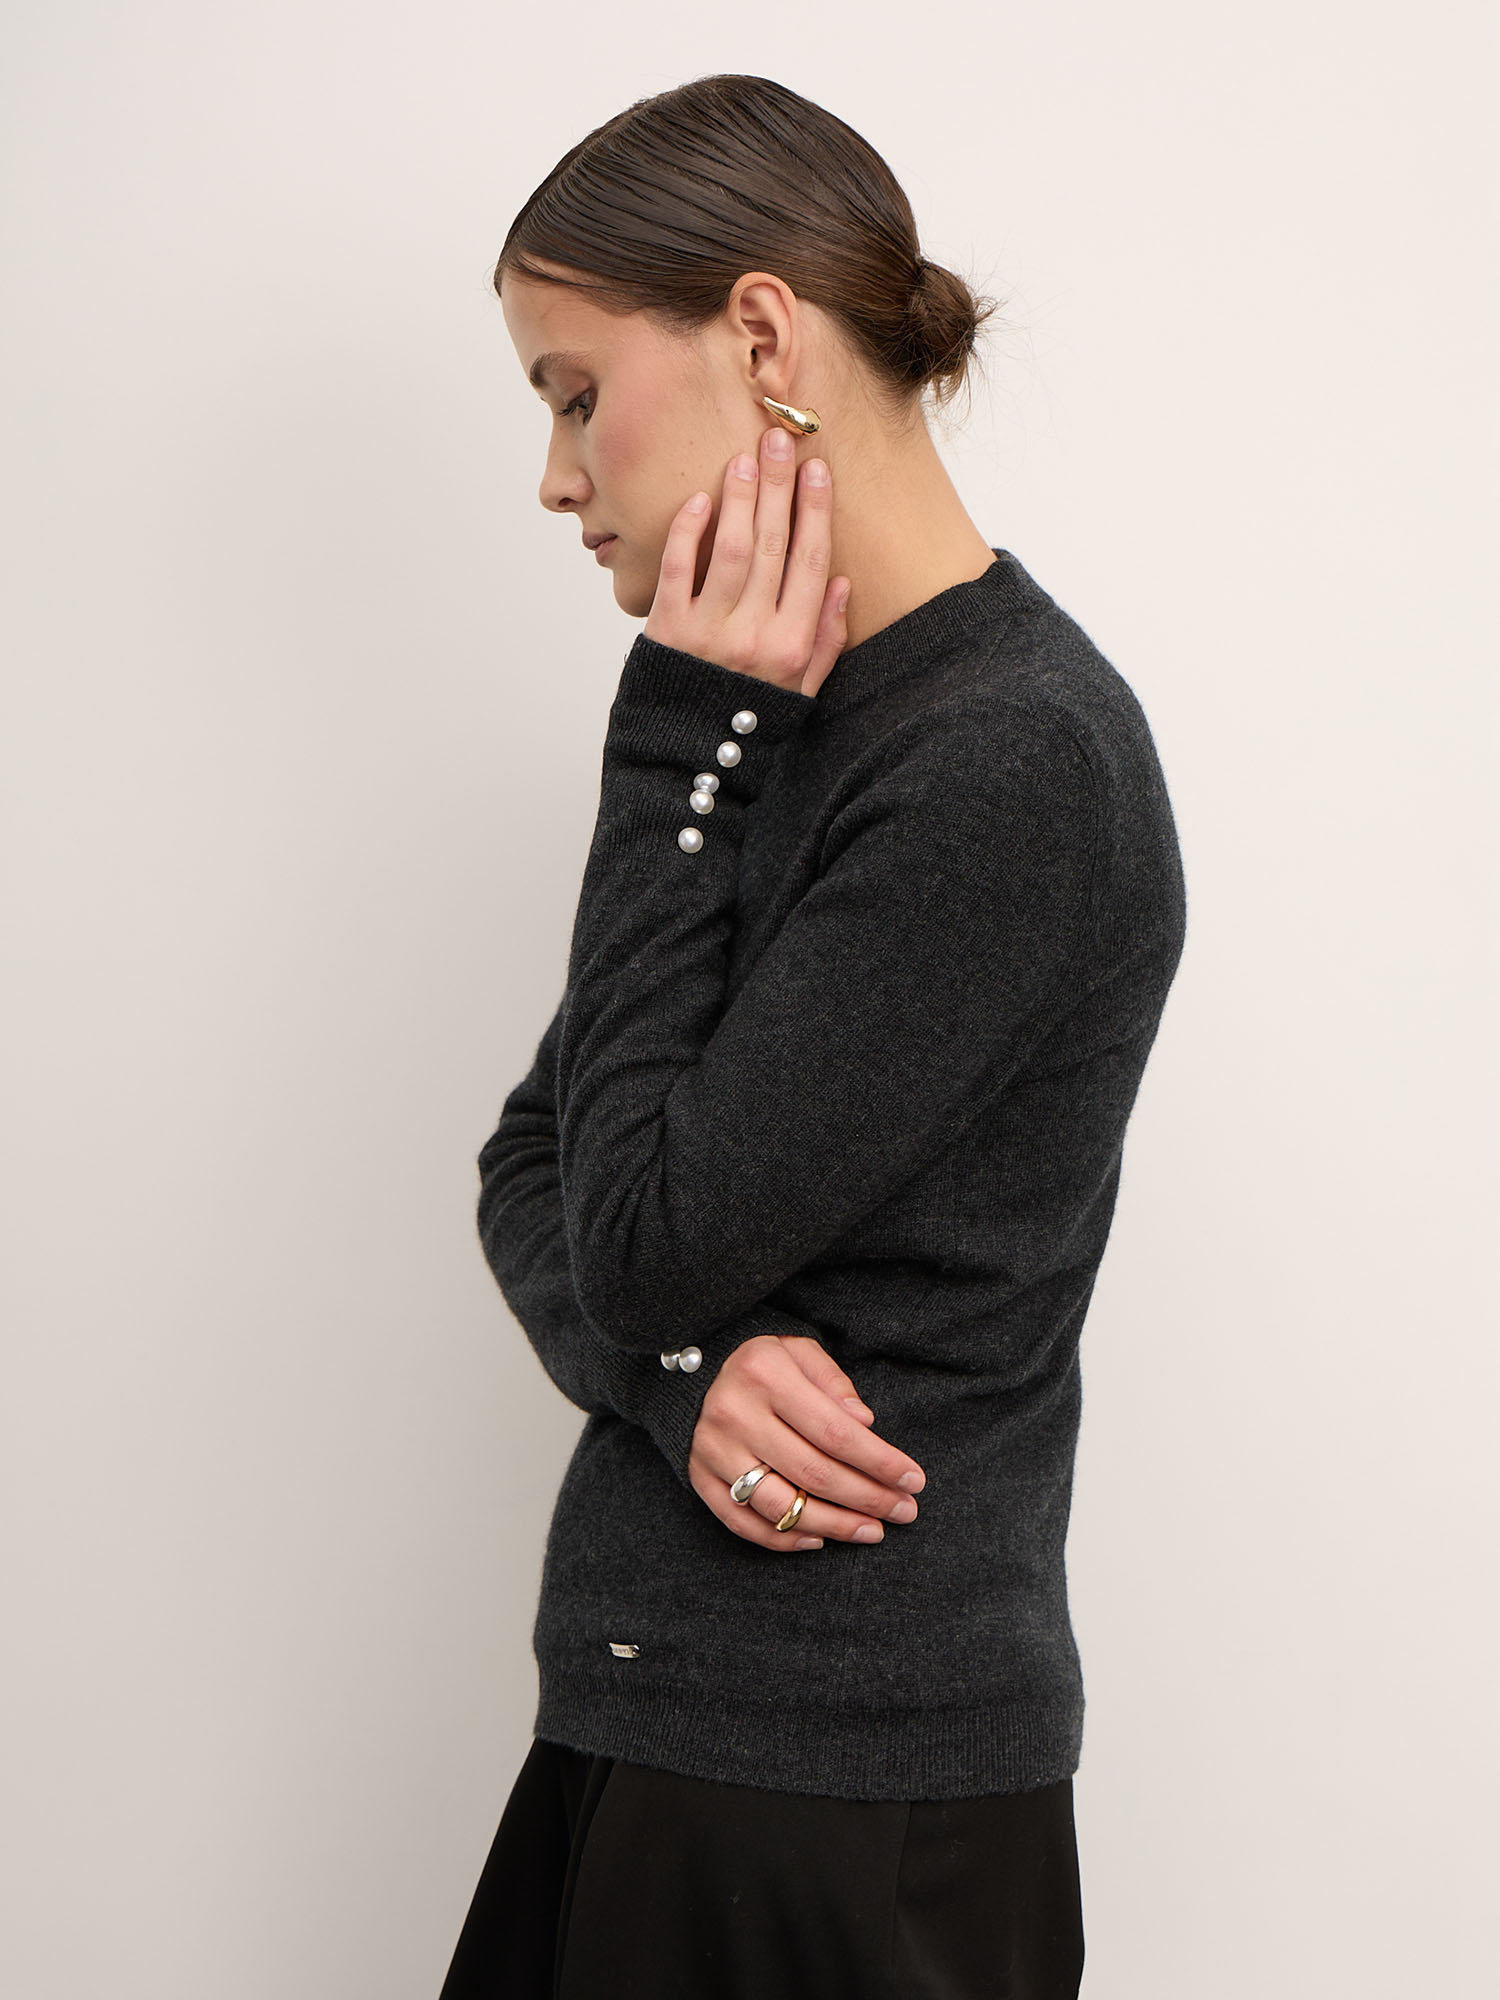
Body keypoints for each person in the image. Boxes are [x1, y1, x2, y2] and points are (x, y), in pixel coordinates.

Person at [439, 72, 1187, 2000]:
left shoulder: (1004, 766)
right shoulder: (797, 713)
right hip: (688, 1743)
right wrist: (682, 1382)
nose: (556, 476)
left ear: (763, 340)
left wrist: (674, 742)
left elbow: (633, 1239)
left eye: (574, 393)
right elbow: (541, 1157)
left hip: (833, 1803)